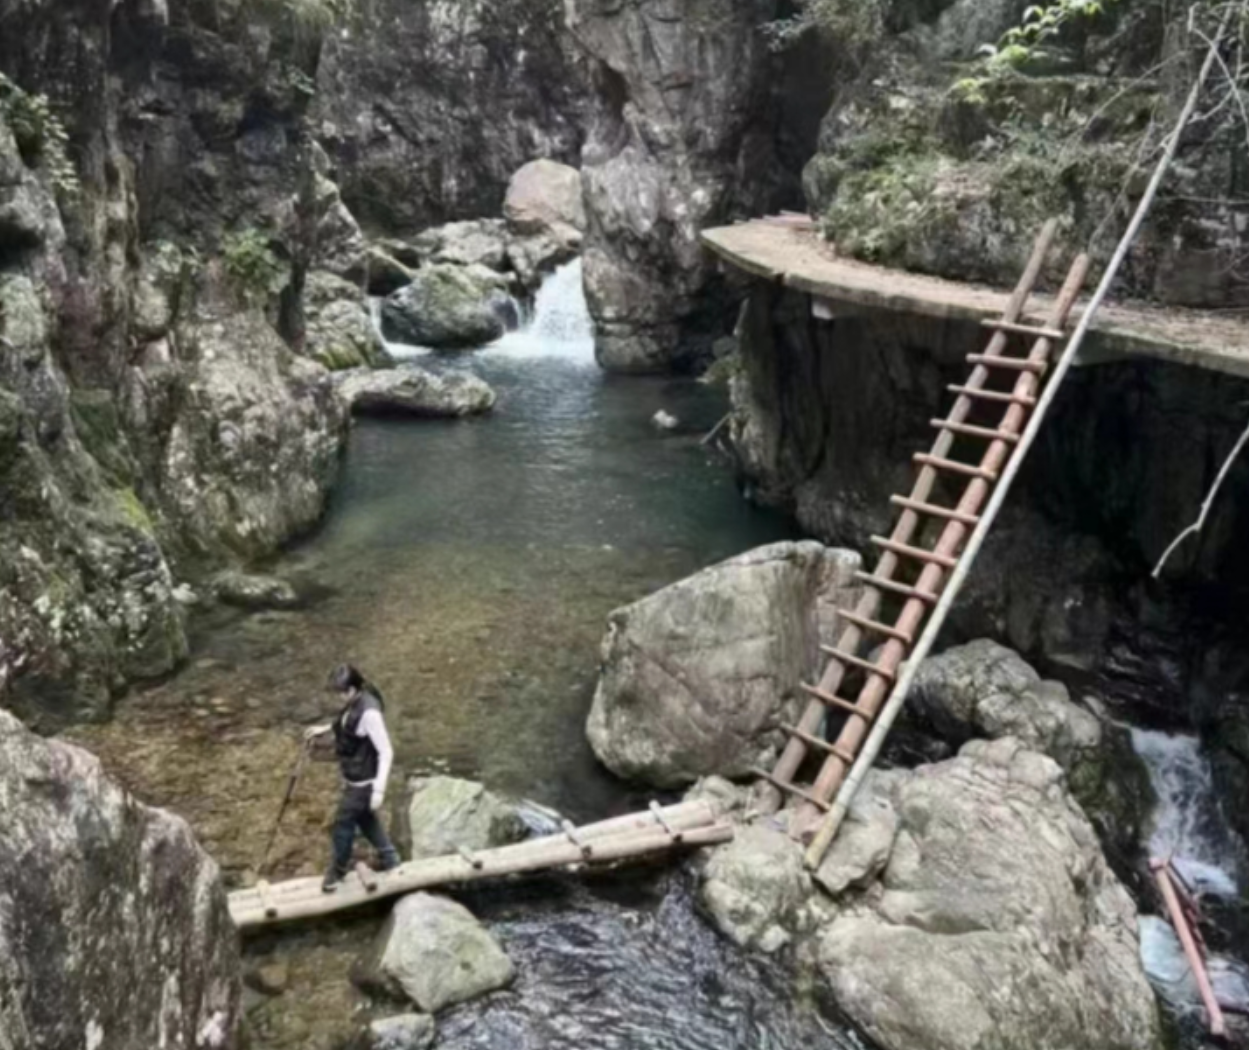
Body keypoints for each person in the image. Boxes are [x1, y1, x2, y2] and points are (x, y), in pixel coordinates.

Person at [305, 663, 400, 892]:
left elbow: (387, 751)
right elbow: (347, 723)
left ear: (353, 689)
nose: (338, 697)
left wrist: (379, 790)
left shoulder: (370, 713)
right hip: (355, 779)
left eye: (341, 692)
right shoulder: (354, 703)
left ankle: (337, 872)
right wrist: (325, 729)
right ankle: (390, 858)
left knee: (343, 824)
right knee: (365, 819)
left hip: (364, 783)